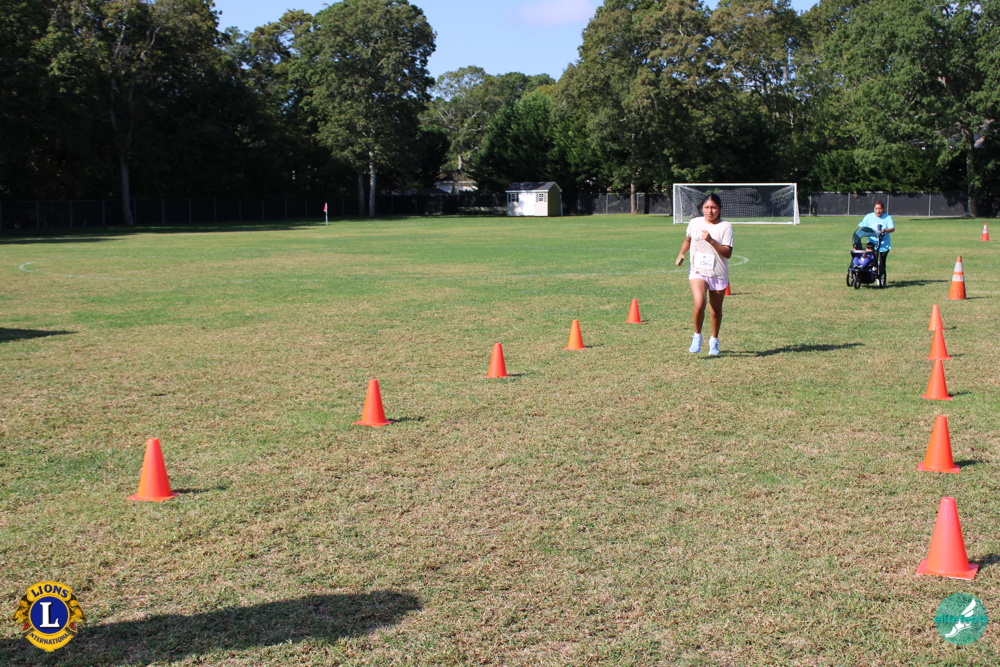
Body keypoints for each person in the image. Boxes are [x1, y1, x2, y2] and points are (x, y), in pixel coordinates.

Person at [675, 193, 734, 356]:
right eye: (707, 207)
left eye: (713, 207)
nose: (710, 211)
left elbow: (727, 253)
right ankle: (697, 336)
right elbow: (688, 240)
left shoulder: (725, 226)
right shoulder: (695, 223)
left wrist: (711, 240)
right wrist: (681, 254)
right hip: (697, 270)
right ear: (702, 208)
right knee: (699, 303)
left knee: (715, 310)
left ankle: (714, 341)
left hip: (718, 273)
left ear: (720, 209)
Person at [859, 201, 894, 286]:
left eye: (880, 209)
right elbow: (861, 227)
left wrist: (884, 230)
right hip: (872, 244)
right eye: (876, 209)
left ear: (883, 209)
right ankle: (869, 275)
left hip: (883, 244)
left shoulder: (887, 218)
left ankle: (880, 277)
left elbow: (892, 229)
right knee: (870, 260)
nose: (878, 211)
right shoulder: (869, 217)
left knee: (882, 262)